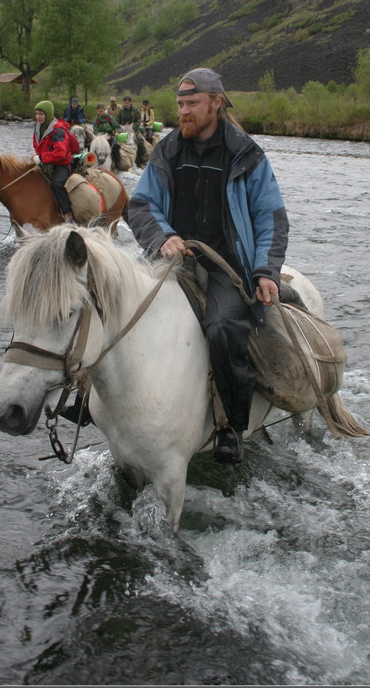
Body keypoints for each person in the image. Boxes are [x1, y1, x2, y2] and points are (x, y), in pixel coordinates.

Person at [128, 68, 289, 463]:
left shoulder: (246, 155)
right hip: (173, 257)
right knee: (116, 301)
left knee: (222, 328)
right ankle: (90, 401)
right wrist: (163, 237)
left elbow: (271, 218)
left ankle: (231, 426)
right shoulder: (168, 151)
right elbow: (141, 204)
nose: (183, 111)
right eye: (180, 104)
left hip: (225, 266)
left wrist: (265, 272)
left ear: (216, 103)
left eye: (192, 104)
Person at [33, 100, 75, 223]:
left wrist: (41, 158)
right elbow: (37, 146)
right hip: (46, 163)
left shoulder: (58, 131)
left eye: (41, 114)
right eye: (36, 114)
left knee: (56, 184)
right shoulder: (38, 127)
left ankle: (68, 214)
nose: (38, 117)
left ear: (48, 114)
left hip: (61, 165)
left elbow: (60, 154)